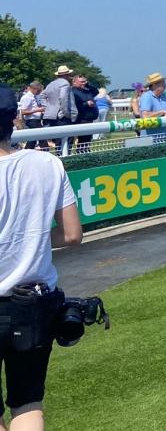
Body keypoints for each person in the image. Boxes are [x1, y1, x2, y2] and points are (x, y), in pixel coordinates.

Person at [0, 82, 83, 431]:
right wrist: (30, 240)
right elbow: (72, 235)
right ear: (14, 118)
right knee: (27, 402)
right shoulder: (47, 163)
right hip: (33, 303)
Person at [40, 66, 73, 154]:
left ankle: (59, 154)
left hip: (50, 114)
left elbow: (42, 96)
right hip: (60, 114)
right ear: (66, 75)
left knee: (57, 137)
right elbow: (63, 98)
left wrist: (47, 106)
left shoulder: (51, 84)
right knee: (67, 137)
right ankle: (65, 156)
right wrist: (65, 112)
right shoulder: (65, 83)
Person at [138, 73, 166, 142]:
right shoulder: (147, 96)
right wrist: (163, 112)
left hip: (164, 137)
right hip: (149, 139)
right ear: (154, 85)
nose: (165, 86)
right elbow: (145, 116)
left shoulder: (163, 96)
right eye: (163, 83)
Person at [67, 75, 99, 153]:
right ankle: (80, 153)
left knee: (87, 139)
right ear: (74, 82)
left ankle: (85, 152)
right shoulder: (72, 92)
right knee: (82, 139)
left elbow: (96, 91)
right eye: (81, 82)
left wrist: (88, 84)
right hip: (81, 118)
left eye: (85, 81)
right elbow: (74, 105)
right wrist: (86, 104)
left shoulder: (87, 91)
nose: (84, 83)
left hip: (89, 118)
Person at [18, 83, 47, 150]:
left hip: (35, 120)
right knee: (41, 138)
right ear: (34, 89)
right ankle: (46, 151)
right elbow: (23, 112)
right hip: (31, 121)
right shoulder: (27, 97)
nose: (39, 92)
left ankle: (27, 151)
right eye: (39, 90)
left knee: (33, 140)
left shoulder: (32, 97)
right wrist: (38, 110)